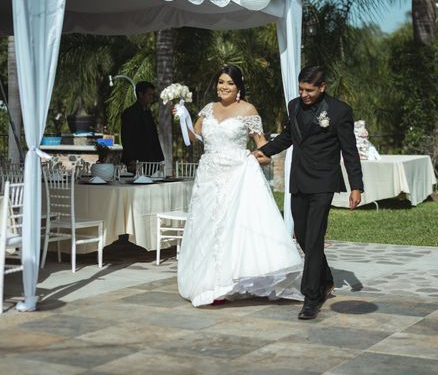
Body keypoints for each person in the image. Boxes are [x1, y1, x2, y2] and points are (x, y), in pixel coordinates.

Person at [177, 65, 303, 307]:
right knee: (207, 228)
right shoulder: (208, 110)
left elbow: (263, 148)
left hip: (237, 176)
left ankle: (225, 283)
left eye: (230, 83)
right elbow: (193, 137)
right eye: (221, 82)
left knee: (230, 229)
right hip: (209, 176)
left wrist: (253, 158)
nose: (224, 87)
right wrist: (183, 117)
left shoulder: (248, 110)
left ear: (238, 87)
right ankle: (206, 282)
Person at [253, 66, 364, 320]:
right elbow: (288, 136)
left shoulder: (340, 111)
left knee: (314, 237)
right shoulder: (293, 106)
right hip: (299, 179)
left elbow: (350, 151)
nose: (304, 94)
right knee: (302, 236)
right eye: (301, 89)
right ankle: (325, 278)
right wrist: (265, 151)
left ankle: (311, 297)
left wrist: (356, 186)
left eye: (309, 90)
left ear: (322, 87)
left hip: (324, 181)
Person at [120, 81, 164, 172]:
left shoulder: (147, 112)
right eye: (149, 95)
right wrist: (131, 159)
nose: (151, 97)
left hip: (151, 160)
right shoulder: (130, 113)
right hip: (137, 160)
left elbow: (153, 136)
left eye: (152, 95)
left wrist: (159, 158)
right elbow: (126, 137)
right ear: (141, 94)